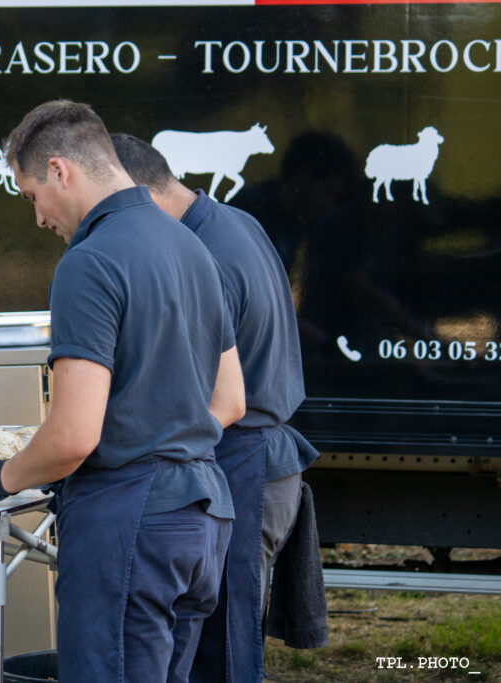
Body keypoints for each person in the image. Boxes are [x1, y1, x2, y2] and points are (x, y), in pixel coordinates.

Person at [0, 100, 246, 683]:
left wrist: (0, 478)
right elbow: (230, 398)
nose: (38, 217)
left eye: (31, 195)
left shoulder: (90, 261)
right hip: (203, 518)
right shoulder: (192, 246)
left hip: (128, 526)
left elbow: (74, 436)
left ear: (60, 170)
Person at [110, 132, 320, 682]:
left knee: (222, 655)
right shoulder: (233, 220)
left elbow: (205, 396)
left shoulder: (199, 256)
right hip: (257, 460)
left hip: (240, 464)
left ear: (134, 192)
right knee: (220, 645)